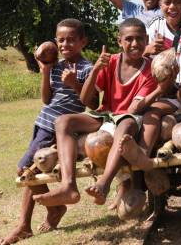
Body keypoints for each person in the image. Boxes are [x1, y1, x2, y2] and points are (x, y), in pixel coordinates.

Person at [32, 18, 173, 207]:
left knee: (126, 123)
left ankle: (104, 184)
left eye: (140, 39)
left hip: (130, 116)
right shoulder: (111, 61)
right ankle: (68, 186)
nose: (135, 44)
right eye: (129, 39)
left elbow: (133, 109)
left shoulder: (150, 69)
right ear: (119, 41)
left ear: (146, 39)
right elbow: (85, 100)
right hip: (106, 115)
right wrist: (96, 69)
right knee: (63, 122)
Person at [0, 19, 93, 245]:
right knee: (29, 170)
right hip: (42, 123)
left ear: (83, 42)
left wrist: (74, 84)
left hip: (56, 128)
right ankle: (51, 210)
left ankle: (27, 223)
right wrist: (46, 71)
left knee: (24, 168)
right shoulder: (57, 66)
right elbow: (46, 99)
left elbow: (92, 101)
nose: (65, 44)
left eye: (71, 40)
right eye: (61, 40)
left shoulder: (87, 68)